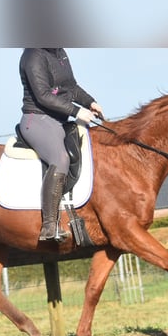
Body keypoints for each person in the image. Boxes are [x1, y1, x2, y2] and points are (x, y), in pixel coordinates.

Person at [18, 48, 104, 242]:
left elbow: (71, 88)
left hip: (59, 120)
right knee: (60, 159)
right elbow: (43, 95)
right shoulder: (33, 55)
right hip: (36, 119)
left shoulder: (59, 52)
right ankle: (49, 226)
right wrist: (76, 111)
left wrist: (90, 102)